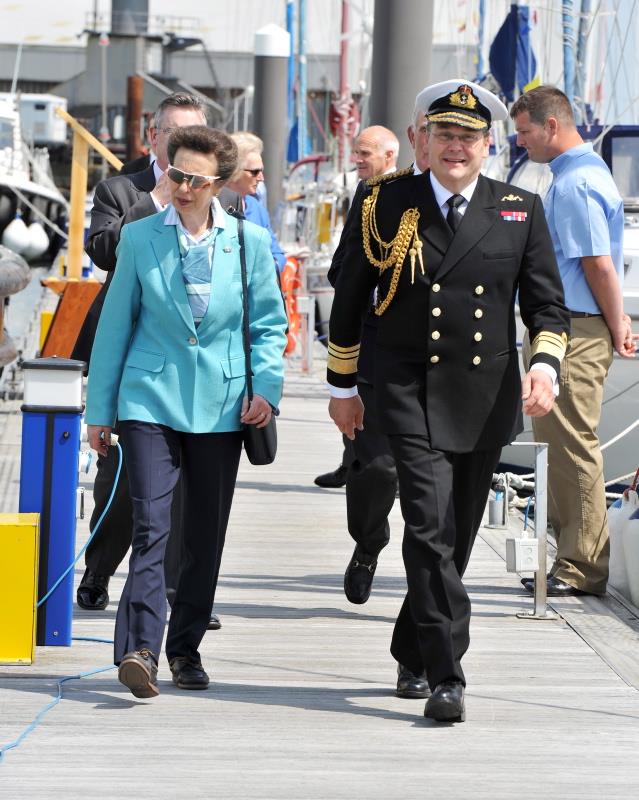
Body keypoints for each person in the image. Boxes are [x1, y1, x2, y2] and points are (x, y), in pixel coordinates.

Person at [327, 79, 569, 723]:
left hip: (484, 395)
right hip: (405, 386)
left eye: (469, 137)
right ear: (423, 141)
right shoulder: (385, 202)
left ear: (488, 145)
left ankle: (412, 643)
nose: (456, 147)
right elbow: (350, 293)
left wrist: (544, 365)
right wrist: (342, 386)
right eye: (445, 135)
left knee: (455, 537)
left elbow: (546, 304)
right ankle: (446, 674)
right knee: (428, 529)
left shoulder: (518, 208)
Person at [85, 125, 287, 698]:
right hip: (148, 399)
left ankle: (185, 649)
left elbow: (270, 326)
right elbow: (113, 330)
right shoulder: (140, 238)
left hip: (225, 406)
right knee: (152, 525)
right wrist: (99, 413)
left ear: (220, 183)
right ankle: (140, 649)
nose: (182, 187)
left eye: (196, 179)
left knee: (204, 533)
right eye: (176, 174)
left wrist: (265, 390)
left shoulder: (247, 244)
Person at [73, 93, 240, 630]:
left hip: (195, 366)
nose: (184, 147)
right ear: (154, 139)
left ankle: (178, 591)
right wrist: (160, 198)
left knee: (184, 485)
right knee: (123, 480)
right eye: (174, 136)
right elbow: (101, 248)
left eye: (194, 135)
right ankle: (98, 568)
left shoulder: (220, 199)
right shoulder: (121, 189)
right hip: (131, 353)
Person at [511, 86, 638, 597]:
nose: (521, 144)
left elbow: (598, 265)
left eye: (524, 132)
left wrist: (619, 322)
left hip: (577, 326)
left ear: (551, 127)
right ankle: (569, 557)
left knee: (572, 444)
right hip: (569, 324)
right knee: (554, 444)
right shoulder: (577, 176)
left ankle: (583, 567)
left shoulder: (576, 184)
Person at [314, 126, 401, 490]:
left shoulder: (403, 194)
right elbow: (350, 247)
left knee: (379, 398)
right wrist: (344, 282)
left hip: (389, 319)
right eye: (356, 153)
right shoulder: (365, 190)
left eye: (364, 154)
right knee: (353, 390)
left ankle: (377, 466)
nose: (356, 160)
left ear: (389, 155)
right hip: (360, 312)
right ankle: (352, 460)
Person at [225, 131, 286, 272]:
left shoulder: (257, 208)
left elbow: (277, 254)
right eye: (255, 172)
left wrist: (268, 269)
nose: (261, 178)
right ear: (235, 171)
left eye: (261, 171)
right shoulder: (212, 209)